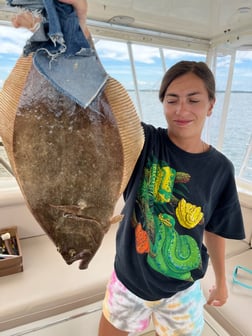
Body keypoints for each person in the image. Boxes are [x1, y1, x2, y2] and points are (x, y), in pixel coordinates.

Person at [12, 1, 245, 335]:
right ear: (162, 103)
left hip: (182, 291)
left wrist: (221, 282)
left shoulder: (221, 168)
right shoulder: (145, 141)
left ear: (211, 105)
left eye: (194, 99)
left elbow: (216, 229)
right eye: (172, 99)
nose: (182, 109)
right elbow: (93, 99)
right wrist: (79, 28)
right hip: (128, 282)